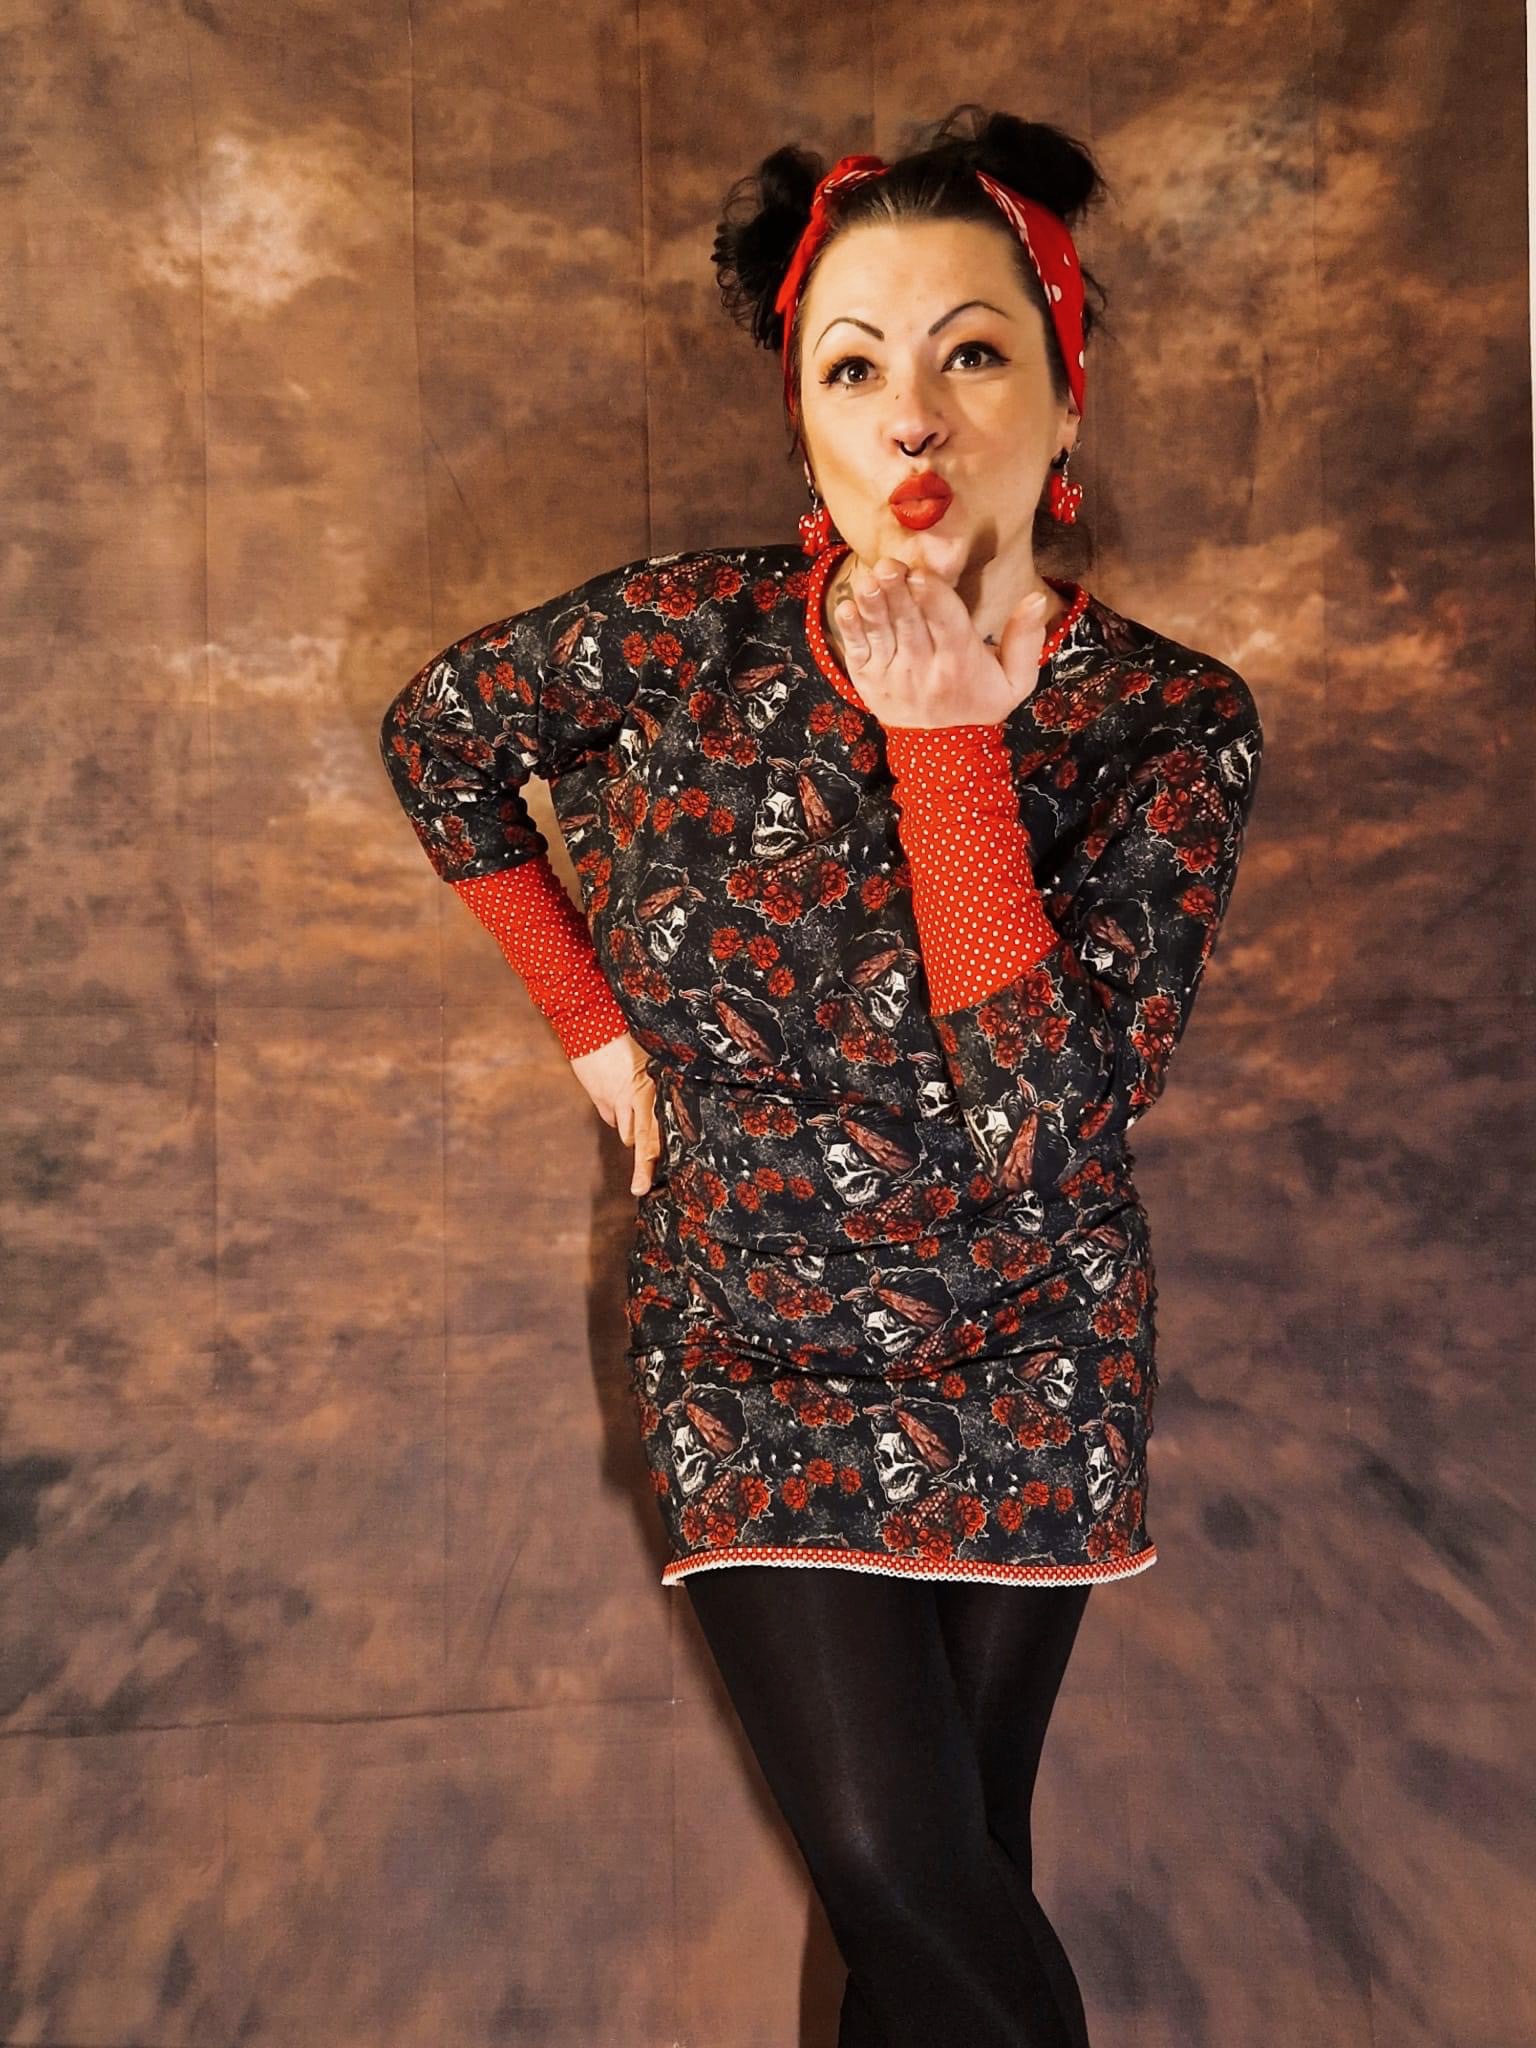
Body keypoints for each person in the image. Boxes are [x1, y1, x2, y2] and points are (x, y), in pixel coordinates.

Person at [380, 103, 1264, 2048]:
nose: (912, 418)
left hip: (1031, 1352)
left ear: (1065, 396)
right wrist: (591, 1022)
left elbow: (1050, 1131)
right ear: (804, 421)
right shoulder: (680, 641)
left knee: (940, 1897)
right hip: (749, 1341)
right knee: (892, 1859)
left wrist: (950, 744)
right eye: (853, 367)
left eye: (974, 352)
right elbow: (439, 738)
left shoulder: (1169, 723)